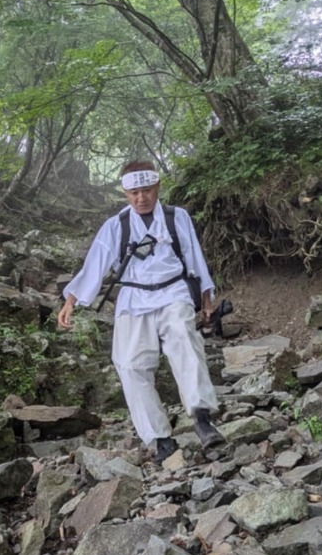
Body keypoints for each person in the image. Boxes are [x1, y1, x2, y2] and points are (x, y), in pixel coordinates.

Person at [57, 160, 225, 463]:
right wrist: (71, 300)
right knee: (130, 364)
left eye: (146, 190)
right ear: (125, 194)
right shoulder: (116, 226)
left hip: (173, 290)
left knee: (185, 341)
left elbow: (194, 256)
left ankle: (202, 419)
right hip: (133, 297)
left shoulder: (178, 218)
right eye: (134, 192)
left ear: (158, 188)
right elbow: (94, 264)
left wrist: (206, 296)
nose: (141, 198)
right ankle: (160, 438)